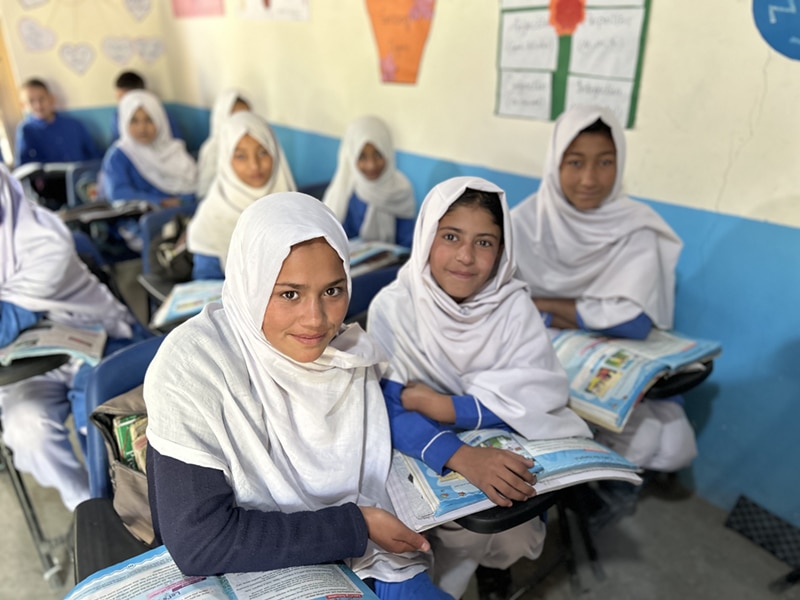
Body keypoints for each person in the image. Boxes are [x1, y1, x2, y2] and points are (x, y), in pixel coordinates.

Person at [144, 192, 452, 599]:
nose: (317, 319)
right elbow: (201, 542)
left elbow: (386, 413)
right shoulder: (193, 367)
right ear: (251, 285)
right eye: (289, 294)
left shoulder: (345, 352)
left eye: (333, 291)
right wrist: (356, 525)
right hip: (253, 570)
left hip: (363, 552)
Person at [367, 176, 592, 599]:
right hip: (423, 446)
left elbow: (539, 390)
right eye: (450, 236)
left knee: (513, 532)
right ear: (426, 237)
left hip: (491, 439)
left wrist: (444, 406)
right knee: (458, 535)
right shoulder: (394, 306)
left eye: (485, 242)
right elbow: (384, 403)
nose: (466, 257)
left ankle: (493, 571)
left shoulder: (513, 306)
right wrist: (456, 450)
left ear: (503, 251)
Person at [511, 105, 694, 518]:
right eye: (575, 162)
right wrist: (592, 311)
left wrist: (541, 304)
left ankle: (595, 483)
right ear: (555, 161)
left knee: (673, 442)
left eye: (605, 162)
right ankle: (579, 488)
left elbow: (633, 321)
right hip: (543, 351)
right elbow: (503, 304)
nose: (590, 179)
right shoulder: (523, 223)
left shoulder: (636, 225)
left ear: (620, 164)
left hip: (612, 353)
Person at [0, 165, 140, 511]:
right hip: (31, 364)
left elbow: (6, 323)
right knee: (25, 428)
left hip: (96, 341)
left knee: (97, 425)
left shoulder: (42, 239)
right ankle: (88, 508)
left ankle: (123, 504)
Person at [187, 111, 296, 280]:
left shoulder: (293, 206)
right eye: (240, 156)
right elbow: (207, 286)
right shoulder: (211, 218)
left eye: (262, 152)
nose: (254, 166)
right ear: (226, 161)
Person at [323, 116, 416, 247]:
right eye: (362, 157)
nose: (371, 165)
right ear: (351, 156)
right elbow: (337, 240)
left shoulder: (401, 190)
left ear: (388, 151)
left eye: (378, 154)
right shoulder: (346, 191)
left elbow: (407, 242)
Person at [101, 90, 197, 208]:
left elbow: (193, 189)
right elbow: (118, 194)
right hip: (137, 219)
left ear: (160, 120)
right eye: (134, 121)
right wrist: (159, 202)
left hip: (180, 215)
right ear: (124, 123)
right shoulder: (118, 156)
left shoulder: (174, 151)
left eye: (149, 120)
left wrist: (183, 201)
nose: (142, 128)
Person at [14, 78, 102, 167]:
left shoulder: (74, 125)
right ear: (23, 105)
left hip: (82, 176)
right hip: (51, 179)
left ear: (51, 99)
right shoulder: (26, 130)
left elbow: (95, 154)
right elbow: (23, 166)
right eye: (31, 101)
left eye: (42, 99)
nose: (38, 105)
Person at [196, 89, 252, 198]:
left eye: (246, 117)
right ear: (221, 118)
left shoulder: (254, 146)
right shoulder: (212, 150)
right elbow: (204, 193)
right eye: (235, 118)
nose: (241, 123)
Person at [109, 71, 182, 143]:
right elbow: (116, 143)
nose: (141, 129)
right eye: (119, 99)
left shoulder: (162, 114)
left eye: (149, 120)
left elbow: (176, 140)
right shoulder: (118, 116)